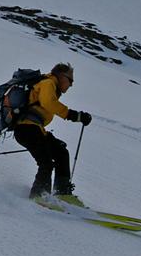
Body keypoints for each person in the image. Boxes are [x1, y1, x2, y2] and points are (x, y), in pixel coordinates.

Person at [13, 62, 91, 198]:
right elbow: (48, 103)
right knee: (46, 163)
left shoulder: (50, 86)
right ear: (61, 76)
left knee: (61, 152)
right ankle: (39, 196)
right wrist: (74, 115)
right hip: (27, 129)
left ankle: (63, 194)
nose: (71, 84)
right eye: (70, 80)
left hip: (34, 129)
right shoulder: (48, 83)